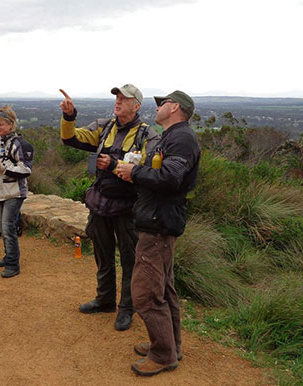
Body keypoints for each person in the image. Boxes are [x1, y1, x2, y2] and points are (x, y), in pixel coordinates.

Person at [116, 91, 201, 376]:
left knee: (145, 294)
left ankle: (163, 354)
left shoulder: (181, 138)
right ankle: (170, 345)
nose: (158, 107)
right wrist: (136, 171)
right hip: (158, 220)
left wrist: (134, 173)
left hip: (158, 224)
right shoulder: (171, 136)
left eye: (162, 103)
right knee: (164, 289)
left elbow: (170, 178)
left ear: (174, 107)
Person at [59, 85, 157, 331]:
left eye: (125, 99)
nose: (118, 101)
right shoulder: (104, 127)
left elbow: (149, 173)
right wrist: (69, 116)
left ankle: (126, 309)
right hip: (100, 204)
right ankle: (104, 300)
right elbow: (71, 138)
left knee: (129, 259)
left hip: (128, 208)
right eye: (117, 97)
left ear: (137, 106)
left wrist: (114, 165)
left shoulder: (148, 136)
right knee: (103, 255)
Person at [0, 106, 32, 278]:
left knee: (8, 227)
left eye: (1, 124)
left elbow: (26, 169)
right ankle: (9, 255)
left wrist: (2, 168)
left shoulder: (19, 145)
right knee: (2, 227)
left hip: (14, 192)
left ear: (11, 125)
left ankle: (13, 264)